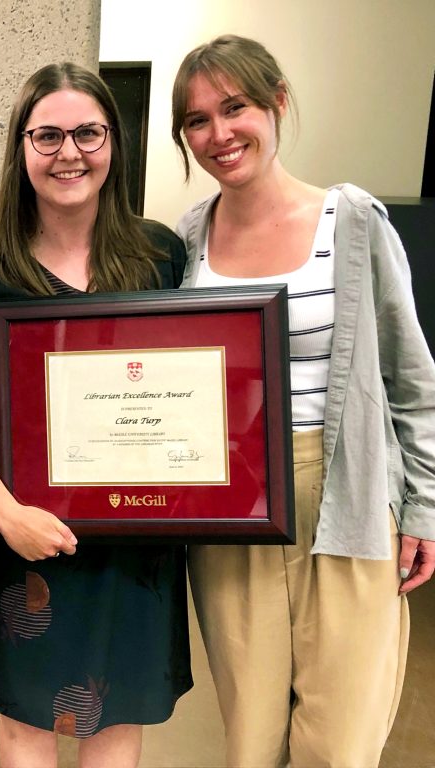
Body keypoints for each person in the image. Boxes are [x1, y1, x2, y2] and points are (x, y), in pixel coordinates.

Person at [171, 34, 435, 767]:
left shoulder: (352, 222)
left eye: (236, 107)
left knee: (340, 737)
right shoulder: (191, 238)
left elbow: (415, 383)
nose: (219, 134)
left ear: (277, 101)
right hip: (236, 505)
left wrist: (424, 510)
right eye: (197, 120)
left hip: (347, 494)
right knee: (251, 733)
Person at [0, 63, 192, 768]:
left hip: (138, 532)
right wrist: (5, 514)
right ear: (21, 150)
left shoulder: (161, 258)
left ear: (114, 142)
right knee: (30, 719)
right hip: (28, 535)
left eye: (88, 132)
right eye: (47, 135)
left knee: (117, 717)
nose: (69, 152)